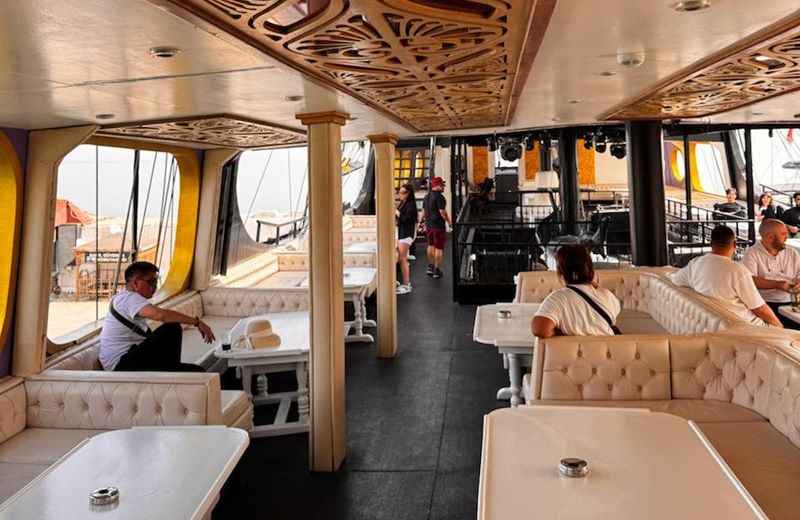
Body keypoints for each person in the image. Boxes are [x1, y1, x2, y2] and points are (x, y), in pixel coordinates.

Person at [99, 261, 216, 371]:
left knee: (199, 371)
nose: (154, 286)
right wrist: (197, 322)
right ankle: (172, 372)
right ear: (135, 283)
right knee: (172, 328)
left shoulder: (125, 298)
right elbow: (160, 315)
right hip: (121, 365)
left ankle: (172, 371)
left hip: (128, 360)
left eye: (156, 281)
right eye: (151, 282)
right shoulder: (129, 298)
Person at [670, 225, 781, 327]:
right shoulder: (738, 271)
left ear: (711, 244)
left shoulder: (696, 263)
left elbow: (675, 279)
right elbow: (759, 308)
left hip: (713, 323)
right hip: (746, 326)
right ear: (734, 244)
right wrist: (780, 327)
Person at [531, 245, 621, 338]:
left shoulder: (558, 298)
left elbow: (539, 329)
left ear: (561, 272)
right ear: (590, 268)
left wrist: (560, 334)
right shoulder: (608, 296)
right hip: (609, 347)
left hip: (573, 348)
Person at [742, 219, 800, 329]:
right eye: (783, 234)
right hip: (766, 304)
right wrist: (778, 285)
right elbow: (750, 280)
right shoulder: (752, 253)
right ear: (770, 237)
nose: (787, 237)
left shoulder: (792, 252)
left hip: (792, 302)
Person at [422, 176, 452, 279]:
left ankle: (430, 267)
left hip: (429, 225)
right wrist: (449, 222)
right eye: (442, 185)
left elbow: (423, 212)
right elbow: (442, 212)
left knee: (430, 245)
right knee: (439, 248)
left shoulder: (426, 197)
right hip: (438, 226)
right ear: (438, 185)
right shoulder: (440, 197)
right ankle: (436, 270)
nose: (443, 187)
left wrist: (422, 222)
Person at [396, 183, 418, 295]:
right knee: (401, 258)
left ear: (408, 193)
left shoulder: (411, 205)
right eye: (399, 192)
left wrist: (397, 213)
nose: (400, 194)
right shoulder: (404, 203)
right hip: (402, 233)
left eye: (402, 192)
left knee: (402, 259)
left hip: (406, 234)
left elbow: (406, 219)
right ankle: (405, 283)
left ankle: (406, 284)